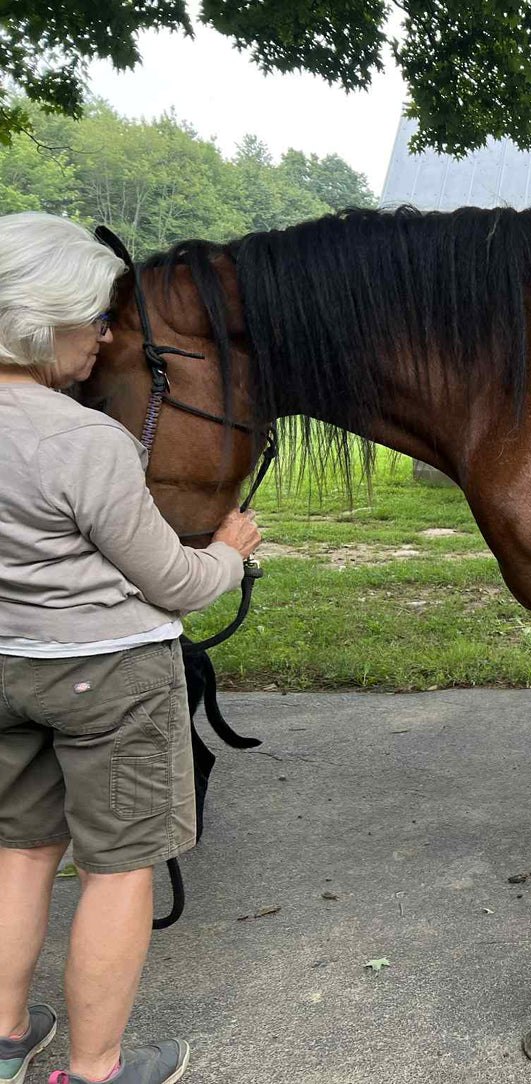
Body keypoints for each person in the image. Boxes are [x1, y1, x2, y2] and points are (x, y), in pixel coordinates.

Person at [0, 212, 262, 1084]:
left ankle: (5, 1041)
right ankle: (95, 1070)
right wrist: (232, 547)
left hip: (7, 666)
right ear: (40, 323)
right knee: (118, 871)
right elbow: (177, 585)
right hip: (109, 674)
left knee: (21, 850)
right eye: (92, 317)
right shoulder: (86, 440)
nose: (104, 334)